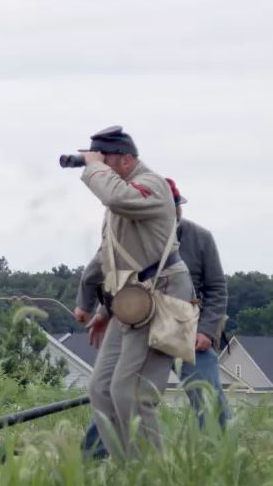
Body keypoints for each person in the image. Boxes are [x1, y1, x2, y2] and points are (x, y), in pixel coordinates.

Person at [79, 177, 231, 457]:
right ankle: (92, 458)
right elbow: (116, 281)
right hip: (140, 325)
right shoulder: (131, 239)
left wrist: (206, 332)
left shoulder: (201, 238)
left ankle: (217, 458)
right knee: (116, 392)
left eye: (174, 207)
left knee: (208, 395)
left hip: (188, 329)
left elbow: (217, 288)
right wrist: (102, 312)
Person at [70, 126, 195, 458]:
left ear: (125, 160)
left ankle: (151, 476)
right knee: (101, 389)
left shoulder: (150, 185)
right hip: (130, 303)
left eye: (104, 159)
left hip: (162, 295)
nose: (96, 165)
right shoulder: (121, 200)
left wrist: (92, 167)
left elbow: (114, 196)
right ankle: (125, 470)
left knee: (133, 392)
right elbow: (107, 256)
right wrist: (96, 308)